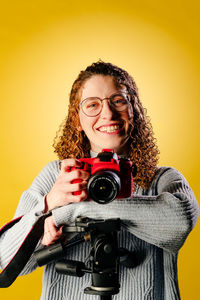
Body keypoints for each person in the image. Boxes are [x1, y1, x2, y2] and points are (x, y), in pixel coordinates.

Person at [0, 61, 199, 299]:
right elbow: (6, 258)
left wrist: (70, 210)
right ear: (76, 120)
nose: (108, 113)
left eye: (118, 101)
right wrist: (48, 203)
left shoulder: (162, 179)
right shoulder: (58, 177)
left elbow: (180, 223)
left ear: (133, 110)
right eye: (92, 104)